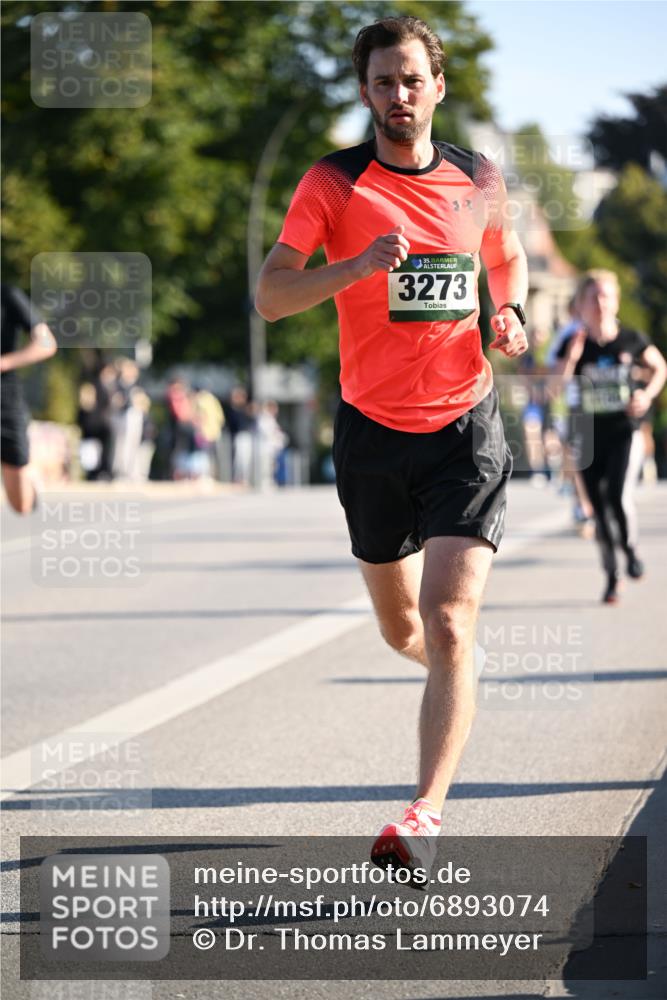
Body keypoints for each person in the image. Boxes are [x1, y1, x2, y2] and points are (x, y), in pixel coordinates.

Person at [256, 16, 528, 880]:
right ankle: (456, 671)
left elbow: (506, 259)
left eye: (412, 80)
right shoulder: (332, 183)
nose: (398, 96)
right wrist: (356, 267)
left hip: (464, 426)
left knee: (449, 619)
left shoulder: (476, 177)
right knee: (401, 626)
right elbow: (270, 296)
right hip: (371, 428)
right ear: (364, 90)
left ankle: (424, 814)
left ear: (436, 86)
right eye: (382, 82)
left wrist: (508, 313)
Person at [557, 270, 666, 604]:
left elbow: (660, 368)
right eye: (593, 297)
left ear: (615, 300)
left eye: (606, 296)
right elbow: (555, 390)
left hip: (623, 430)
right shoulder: (573, 343)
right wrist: (572, 359)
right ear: (581, 305)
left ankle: (630, 550)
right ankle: (612, 576)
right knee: (597, 510)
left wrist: (646, 395)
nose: (600, 303)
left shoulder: (630, 338)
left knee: (617, 495)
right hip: (588, 435)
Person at [1, 284, 57, 512]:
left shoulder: (8, 295)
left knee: (21, 506)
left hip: (4, 402)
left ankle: (29, 473)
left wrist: (4, 363)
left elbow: (47, 344)